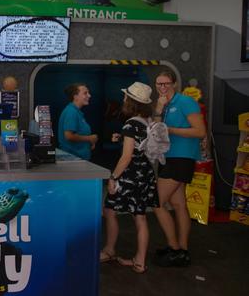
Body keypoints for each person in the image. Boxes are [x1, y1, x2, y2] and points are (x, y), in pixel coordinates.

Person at [100, 82, 159, 274]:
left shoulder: (130, 124)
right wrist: (122, 138)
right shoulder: (147, 121)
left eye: (126, 97)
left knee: (109, 210)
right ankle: (139, 262)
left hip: (129, 176)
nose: (123, 100)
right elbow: (139, 145)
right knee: (140, 217)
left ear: (132, 102)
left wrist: (113, 177)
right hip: (145, 174)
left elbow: (126, 157)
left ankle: (109, 250)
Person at [151, 70, 206, 267]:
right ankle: (182, 249)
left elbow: (200, 131)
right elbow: (158, 130)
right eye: (159, 84)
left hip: (181, 158)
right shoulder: (164, 104)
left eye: (166, 84)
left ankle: (174, 248)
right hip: (168, 157)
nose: (162, 88)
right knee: (179, 205)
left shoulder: (185, 102)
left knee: (157, 203)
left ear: (174, 83)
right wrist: (158, 108)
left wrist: (171, 130)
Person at [57, 83, 98, 160]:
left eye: (88, 93)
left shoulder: (76, 112)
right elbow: (69, 136)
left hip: (77, 159)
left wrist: (89, 143)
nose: (89, 95)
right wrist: (89, 138)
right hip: (72, 160)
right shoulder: (71, 112)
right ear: (75, 96)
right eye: (85, 93)